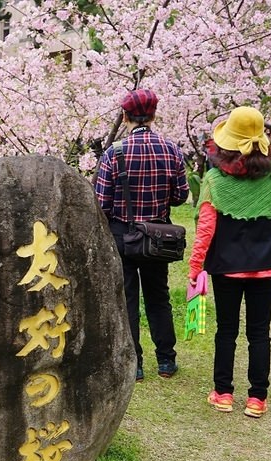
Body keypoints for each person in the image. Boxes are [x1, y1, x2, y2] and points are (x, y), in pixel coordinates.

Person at [188, 106, 271, 418]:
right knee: (260, 332)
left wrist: (194, 268)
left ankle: (223, 393)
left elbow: (205, 230)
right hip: (268, 266)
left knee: (226, 331)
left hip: (226, 268)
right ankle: (257, 398)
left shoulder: (215, 181)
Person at [95, 88, 189, 382]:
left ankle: (134, 363)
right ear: (154, 115)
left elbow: (101, 203)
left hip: (123, 236)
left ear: (125, 116)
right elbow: (180, 196)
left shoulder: (115, 153)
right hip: (159, 235)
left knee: (127, 299)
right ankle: (166, 361)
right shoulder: (172, 150)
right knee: (158, 297)